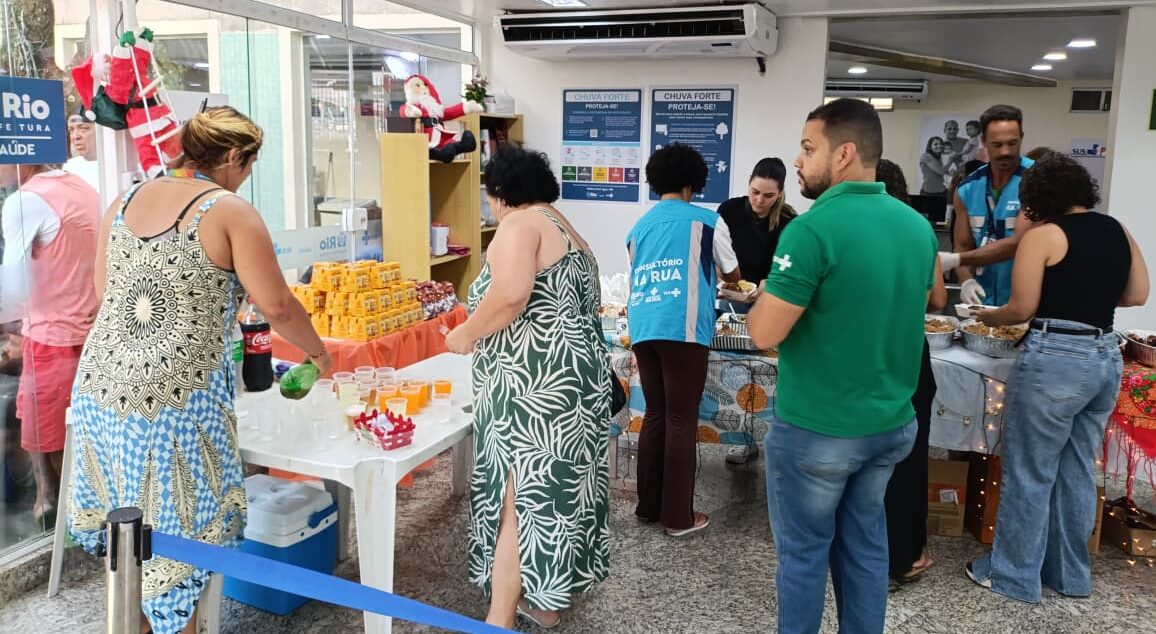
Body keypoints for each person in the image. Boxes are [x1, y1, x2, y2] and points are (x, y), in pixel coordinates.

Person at [67, 106, 332, 634]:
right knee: (182, 546)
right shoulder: (228, 209)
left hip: (102, 389)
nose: (247, 175)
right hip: (172, 401)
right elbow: (277, 304)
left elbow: (105, 294)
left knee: (130, 545)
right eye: (250, 164)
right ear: (234, 156)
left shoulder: (125, 199)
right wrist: (320, 355)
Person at [748, 98, 936, 633]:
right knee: (865, 547)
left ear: (845, 153)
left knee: (804, 556)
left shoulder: (811, 229)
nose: (799, 161)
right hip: (889, 424)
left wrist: (766, 295)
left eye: (809, 149)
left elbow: (765, 332)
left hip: (819, 429)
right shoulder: (915, 227)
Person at [966, 155, 1149, 602]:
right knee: (1077, 471)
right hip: (1105, 355)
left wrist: (990, 315)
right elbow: (1137, 294)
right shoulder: (1117, 229)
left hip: (1054, 357)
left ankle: (1013, 576)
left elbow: (1021, 309)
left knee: (1030, 471)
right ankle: (1070, 576)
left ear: (1036, 200)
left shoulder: (1044, 236)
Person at [445, 148, 611, 629]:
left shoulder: (519, 225)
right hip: (575, 380)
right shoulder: (567, 230)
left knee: (516, 495)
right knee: (557, 494)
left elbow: (512, 293)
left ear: (500, 194)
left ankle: (499, 617)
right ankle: (546, 602)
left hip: (532, 383)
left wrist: (465, 334)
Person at [626, 143, 740, 538]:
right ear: (694, 184)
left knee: (656, 414)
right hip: (684, 326)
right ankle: (677, 517)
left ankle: (647, 507)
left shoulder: (638, 228)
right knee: (680, 418)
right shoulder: (707, 221)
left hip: (643, 325)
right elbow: (732, 273)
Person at [0, 163, 101, 531]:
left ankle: (76, 527)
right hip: (83, 333)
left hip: (53, 337)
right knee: (44, 421)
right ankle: (55, 505)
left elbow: (10, 290)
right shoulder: (80, 186)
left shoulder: (24, 201)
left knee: (53, 432)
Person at [875, 159, 947, 588]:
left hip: (859, 358)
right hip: (907, 352)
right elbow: (937, 298)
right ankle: (905, 556)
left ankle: (860, 557)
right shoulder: (916, 229)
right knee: (908, 458)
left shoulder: (843, 229)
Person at [716, 157, 796, 465]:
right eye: (754, 192)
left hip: (769, 299)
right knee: (734, 370)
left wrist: (766, 285)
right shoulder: (730, 210)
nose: (759, 201)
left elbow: (784, 267)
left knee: (765, 371)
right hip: (732, 296)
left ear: (780, 194)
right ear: (747, 185)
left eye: (768, 195)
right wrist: (726, 283)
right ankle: (742, 438)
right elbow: (717, 251)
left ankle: (774, 437)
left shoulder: (789, 220)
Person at [938, 105, 1035, 306]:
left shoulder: (1038, 181)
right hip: (983, 303)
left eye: (1012, 143)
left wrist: (957, 260)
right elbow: (962, 245)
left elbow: (1021, 243)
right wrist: (966, 280)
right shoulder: (967, 188)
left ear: (1022, 138)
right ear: (983, 142)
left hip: (1027, 305)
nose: (1005, 151)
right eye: (997, 144)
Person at [63, 112, 100, 193]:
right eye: (71, 130)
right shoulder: (70, 166)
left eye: (83, 129)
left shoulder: (115, 165)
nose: (75, 136)